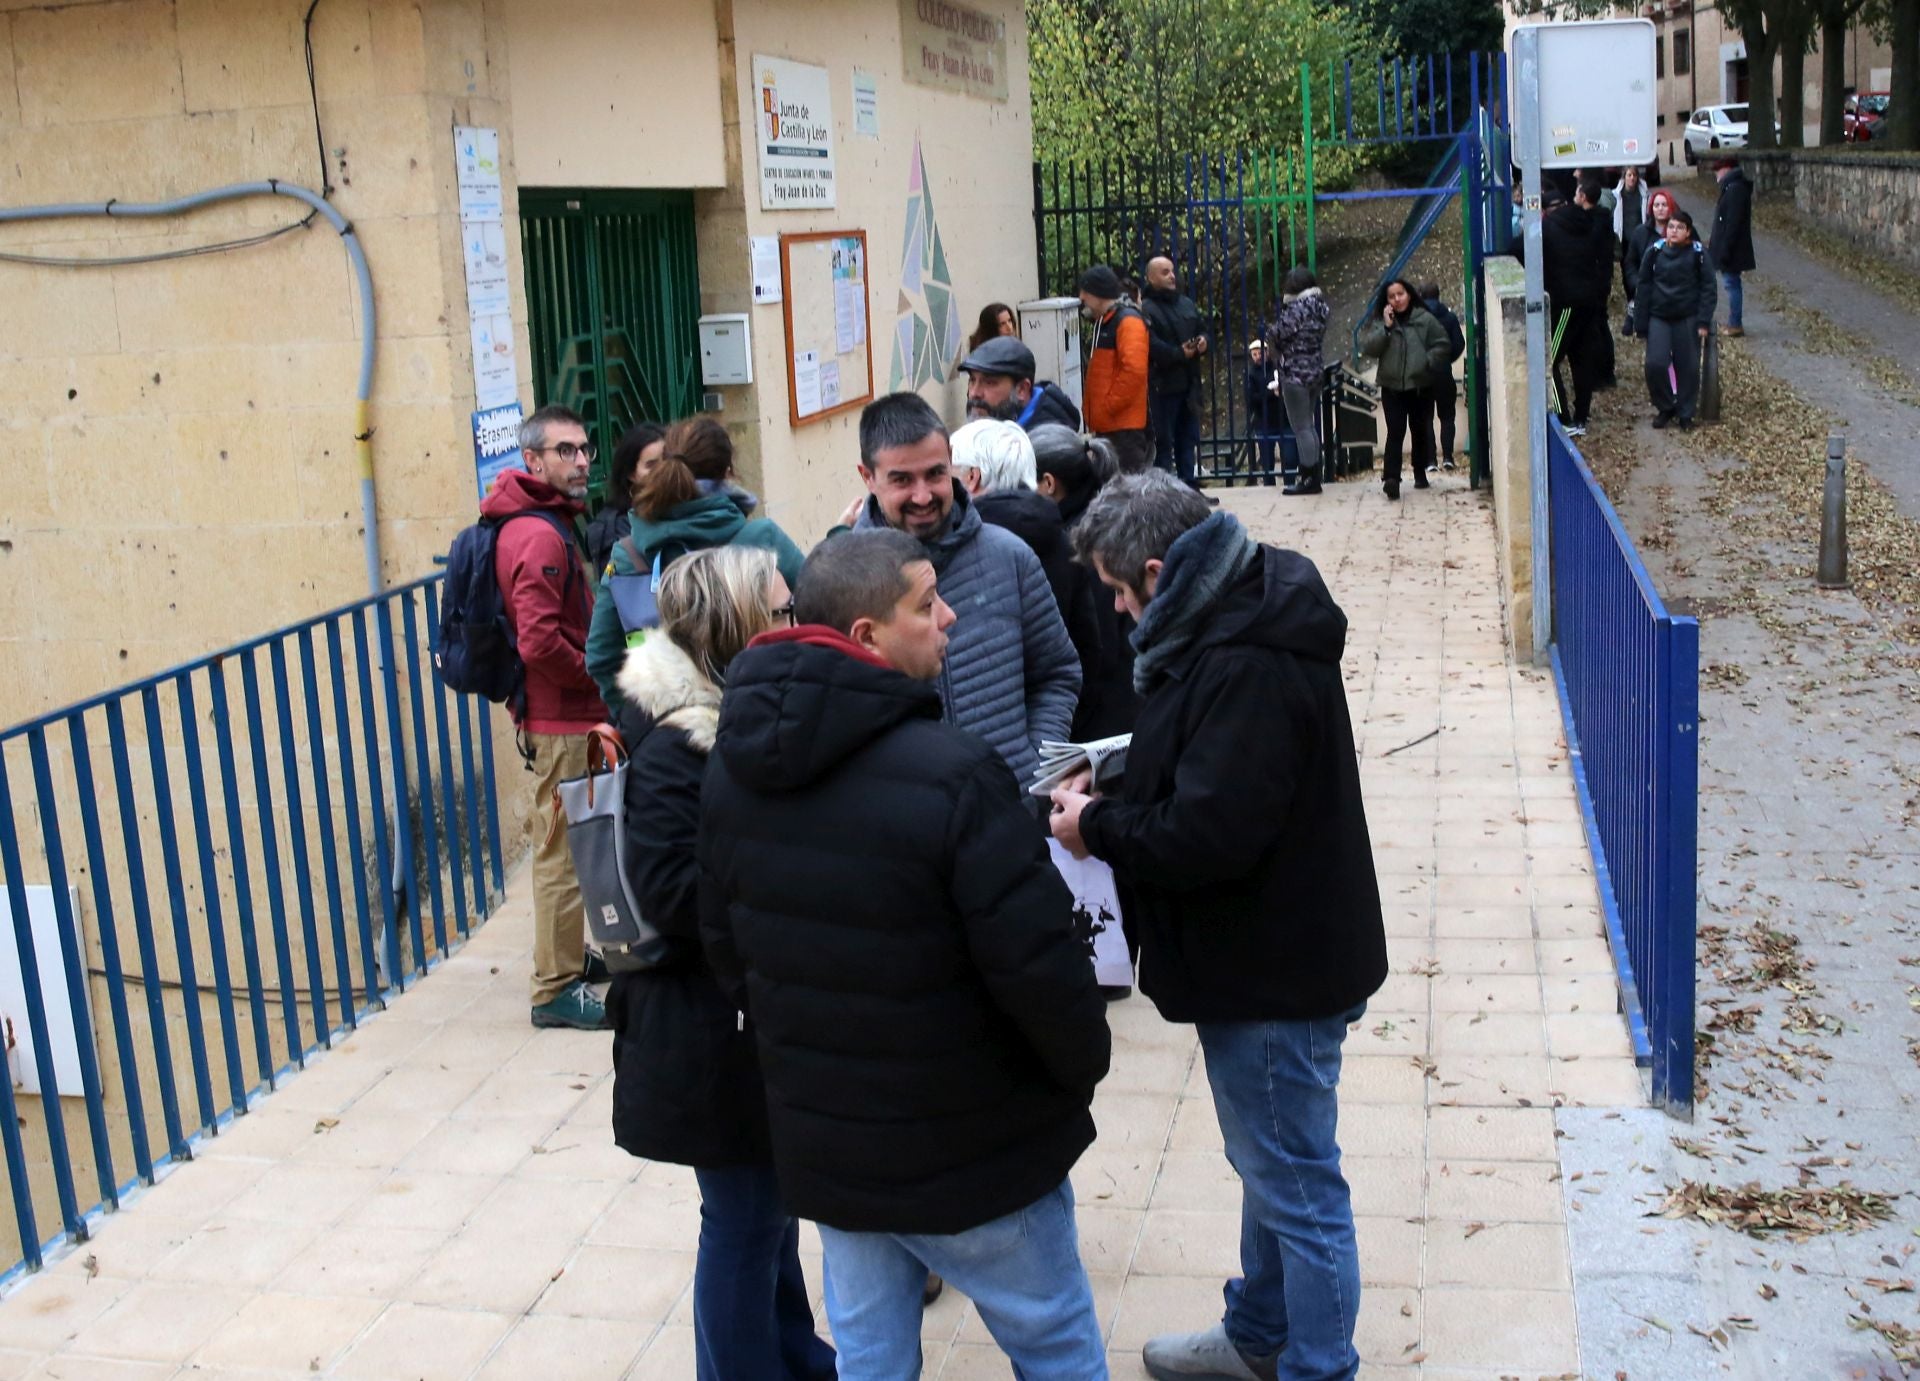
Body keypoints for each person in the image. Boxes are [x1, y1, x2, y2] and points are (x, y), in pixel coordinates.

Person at [698, 529, 1113, 1379]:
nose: (949, 616)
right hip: (972, 1150)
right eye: (926, 604)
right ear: (867, 636)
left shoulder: (733, 771)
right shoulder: (957, 773)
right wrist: (1075, 1073)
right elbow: (1041, 970)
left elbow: (728, 955)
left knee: (871, 1359)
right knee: (1057, 1345)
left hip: (833, 1151)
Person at [1047, 470, 1386, 1381]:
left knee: (1297, 1184)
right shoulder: (1238, 600)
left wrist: (1096, 827)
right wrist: (1116, 776)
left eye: (1119, 592)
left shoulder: (1246, 657)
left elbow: (1208, 833)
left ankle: (1318, 1366)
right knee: (1272, 1162)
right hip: (1279, 951)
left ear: (1158, 572)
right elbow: (1211, 761)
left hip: (1275, 971)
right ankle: (1259, 1333)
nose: (1118, 611)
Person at [605, 545, 833, 1381]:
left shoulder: (731, 723)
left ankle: (795, 1357)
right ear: (735, 626)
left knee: (767, 1213)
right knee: (742, 1220)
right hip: (705, 1029)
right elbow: (669, 888)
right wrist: (780, 888)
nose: (794, 621)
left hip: (740, 1016)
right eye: (779, 610)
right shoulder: (679, 743)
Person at [847, 393, 1080, 790]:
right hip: (904, 817)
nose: (923, 496)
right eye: (902, 480)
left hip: (1012, 808)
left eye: (935, 474)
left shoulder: (1010, 557)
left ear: (952, 461)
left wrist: (1034, 768)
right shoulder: (842, 580)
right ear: (867, 477)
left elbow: (1057, 673)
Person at [477, 404, 611, 1030]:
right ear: (532, 459)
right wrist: (595, 673)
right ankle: (554, 988)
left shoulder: (546, 521)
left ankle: (567, 955)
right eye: (565, 451)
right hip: (561, 725)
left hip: (565, 718)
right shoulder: (537, 537)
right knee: (562, 855)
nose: (580, 461)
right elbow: (537, 642)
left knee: (570, 849)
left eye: (584, 449)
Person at [586, 416, 805, 713]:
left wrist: (636, 722)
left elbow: (601, 656)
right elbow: (822, 616)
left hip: (668, 726)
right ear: (728, 473)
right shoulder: (762, 540)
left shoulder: (626, 555)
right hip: (762, 716)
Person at [1029, 424, 1140, 741]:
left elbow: (1099, 646)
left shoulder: (1078, 546)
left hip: (1109, 717)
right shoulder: (1103, 519)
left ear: (1048, 484)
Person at [1357, 278, 1450, 500]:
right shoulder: (1382, 322)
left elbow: (1443, 344)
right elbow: (1369, 347)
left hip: (1420, 386)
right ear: (1386, 301)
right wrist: (1387, 328)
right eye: (1392, 296)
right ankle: (1391, 478)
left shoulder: (1424, 319)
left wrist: (1427, 361)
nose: (1397, 299)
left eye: (1400, 294)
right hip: (1392, 387)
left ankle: (1420, 472)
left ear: (1409, 294)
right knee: (1395, 431)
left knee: (1419, 430)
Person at [1541, 179, 1613, 436]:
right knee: (1582, 361)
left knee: (1548, 361)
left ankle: (1564, 418)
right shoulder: (1591, 223)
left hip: (1564, 304)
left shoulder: (1548, 229)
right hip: (1590, 303)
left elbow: (1521, 250)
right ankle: (1582, 417)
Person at [1633, 209, 1716, 431]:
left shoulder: (1698, 254)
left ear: (1688, 232)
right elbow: (1644, 286)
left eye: (1679, 228)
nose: (1674, 231)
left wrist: (1703, 321)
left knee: (1688, 367)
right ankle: (1665, 406)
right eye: (1671, 227)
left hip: (1687, 317)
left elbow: (1708, 288)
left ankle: (1686, 413)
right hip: (1659, 316)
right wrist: (1640, 322)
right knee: (1655, 364)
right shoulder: (1655, 251)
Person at [1139, 255, 1210, 488]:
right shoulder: (1146, 309)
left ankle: (1189, 487)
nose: (1172, 276)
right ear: (1151, 278)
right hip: (1163, 386)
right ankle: (1164, 491)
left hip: (1189, 384)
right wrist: (1179, 353)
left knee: (1187, 439)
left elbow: (1203, 328)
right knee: (1163, 443)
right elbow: (1151, 346)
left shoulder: (1186, 303)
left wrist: (1203, 342)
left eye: (1172, 271)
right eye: (1165, 272)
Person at [1078, 264, 1153, 472]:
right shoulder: (1108, 321)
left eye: (1085, 291)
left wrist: (1108, 407)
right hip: (1113, 425)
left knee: (1127, 483)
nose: (1081, 297)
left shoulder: (1127, 321)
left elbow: (1134, 372)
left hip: (1122, 427)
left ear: (1099, 293)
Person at [1269, 266, 1331, 497]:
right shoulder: (1320, 308)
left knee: (1301, 427)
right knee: (1309, 426)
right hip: (1314, 371)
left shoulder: (1297, 309)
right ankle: (1313, 474)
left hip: (1295, 372)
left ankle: (1308, 477)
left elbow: (1276, 333)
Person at [584, 421, 665, 577]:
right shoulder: (615, 529)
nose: (664, 471)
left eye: (668, 461)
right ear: (631, 474)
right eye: (651, 465)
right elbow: (614, 583)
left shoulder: (684, 509)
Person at [957, 334, 1082, 431]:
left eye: (989, 383)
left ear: (1022, 389)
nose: (974, 393)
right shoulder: (997, 431)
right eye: (972, 380)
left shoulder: (1045, 448)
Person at [1417, 281, 1467, 471]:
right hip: (1444, 372)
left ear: (1421, 296)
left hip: (1423, 374)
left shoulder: (1417, 319)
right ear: (1438, 295)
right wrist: (1447, 359)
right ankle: (1448, 457)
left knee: (1426, 418)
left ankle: (1430, 461)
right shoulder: (1450, 318)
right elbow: (1459, 344)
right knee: (1447, 417)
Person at [1710, 157, 1755, 338]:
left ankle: (1735, 323)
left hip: (1732, 248)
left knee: (1732, 284)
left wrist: (1725, 249)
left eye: (1718, 170)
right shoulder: (1732, 187)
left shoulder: (1735, 189)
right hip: (1730, 246)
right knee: (1731, 283)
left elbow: (1732, 223)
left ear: (1727, 169)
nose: (1716, 174)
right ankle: (1734, 322)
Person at [1623, 187, 1676, 336]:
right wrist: (1637, 283)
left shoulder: (1680, 230)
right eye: (1656, 205)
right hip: (1647, 291)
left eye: (1664, 205)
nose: (1660, 209)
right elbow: (1630, 262)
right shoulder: (1640, 232)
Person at [1612, 165, 1651, 332]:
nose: (1632, 178)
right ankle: (1631, 301)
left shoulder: (1644, 195)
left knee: (1642, 269)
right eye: (1629, 175)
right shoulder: (1617, 195)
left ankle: (1639, 301)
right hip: (1624, 239)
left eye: (1634, 175)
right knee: (1627, 271)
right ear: (1624, 177)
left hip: (1640, 238)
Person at [1242, 340, 1285, 485]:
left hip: (1282, 418)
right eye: (1254, 354)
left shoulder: (1278, 367)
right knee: (1267, 462)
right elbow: (1251, 398)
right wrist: (1271, 393)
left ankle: (1290, 482)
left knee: (1289, 457)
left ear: (1267, 352)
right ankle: (1269, 487)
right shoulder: (1250, 373)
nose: (1258, 356)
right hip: (1263, 421)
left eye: (1260, 353)